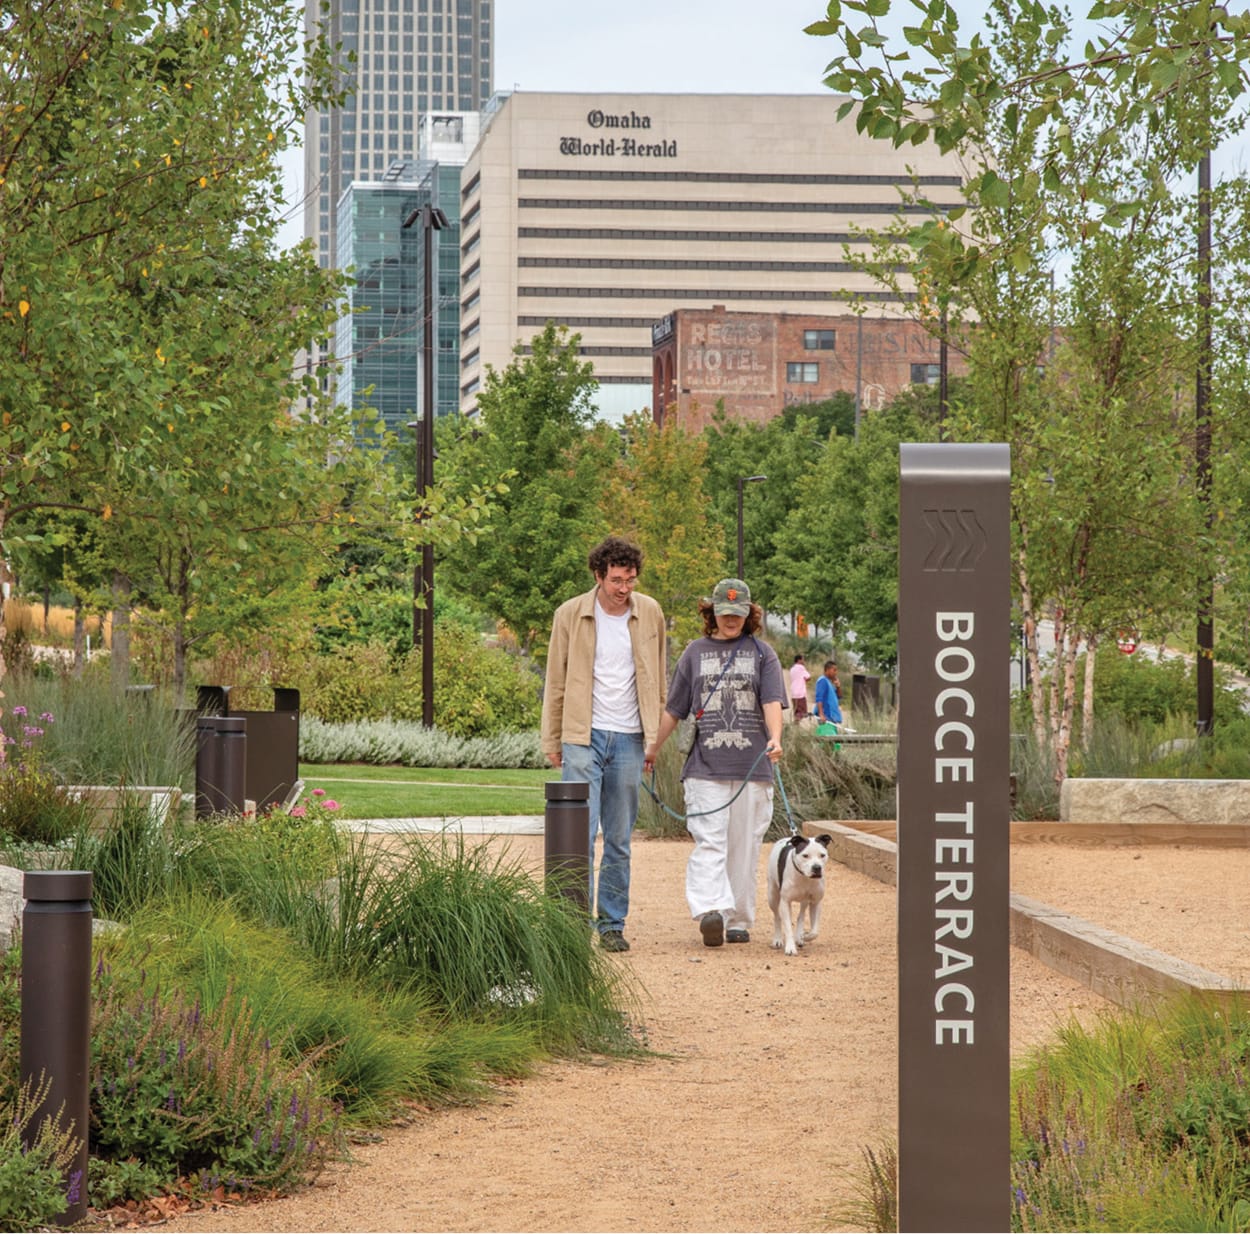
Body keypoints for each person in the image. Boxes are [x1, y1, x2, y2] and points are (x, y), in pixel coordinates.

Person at [643, 578, 785, 948]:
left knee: (744, 847)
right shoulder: (693, 653)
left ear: (749, 615)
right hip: (704, 768)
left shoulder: (762, 654)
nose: (731, 620)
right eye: (724, 613)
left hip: (752, 769)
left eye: (738, 614)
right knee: (709, 842)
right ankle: (710, 910)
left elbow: (772, 700)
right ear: (712, 613)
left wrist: (776, 737)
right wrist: (652, 749)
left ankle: (737, 918)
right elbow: (674, 709)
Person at [541, 536, 667, 953]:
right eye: (616, 580)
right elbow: (555, 680)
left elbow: (659, 679)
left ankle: (612, 924)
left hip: (631, 736)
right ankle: (569, 925)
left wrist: (654, 740)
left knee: (618, 837)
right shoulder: (571, 614)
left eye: (630, 580)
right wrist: (553, 737)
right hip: (583, 736)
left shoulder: (649, 612)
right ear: (598, 576)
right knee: (578, 832)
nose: (624, 588)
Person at [814, 659, 843, 728]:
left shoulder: (829, 683)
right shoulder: (822, 681)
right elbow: (819, 698)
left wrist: (838, 686)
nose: (836, 672)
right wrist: (821, 714)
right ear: (827, 670)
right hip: (826, 718)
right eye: (834, 670)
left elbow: (839, 696)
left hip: (832, 718)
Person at [789, 653, 811, 722]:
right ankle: (795, 725)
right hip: (800, 693)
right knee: (802, 712)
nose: (803, 661)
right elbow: (808, 677)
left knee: (796, 711)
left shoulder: (792, 669)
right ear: (799, 660)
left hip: (793, 693)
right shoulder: (801, 668)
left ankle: (795, 727)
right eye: (803, 659)